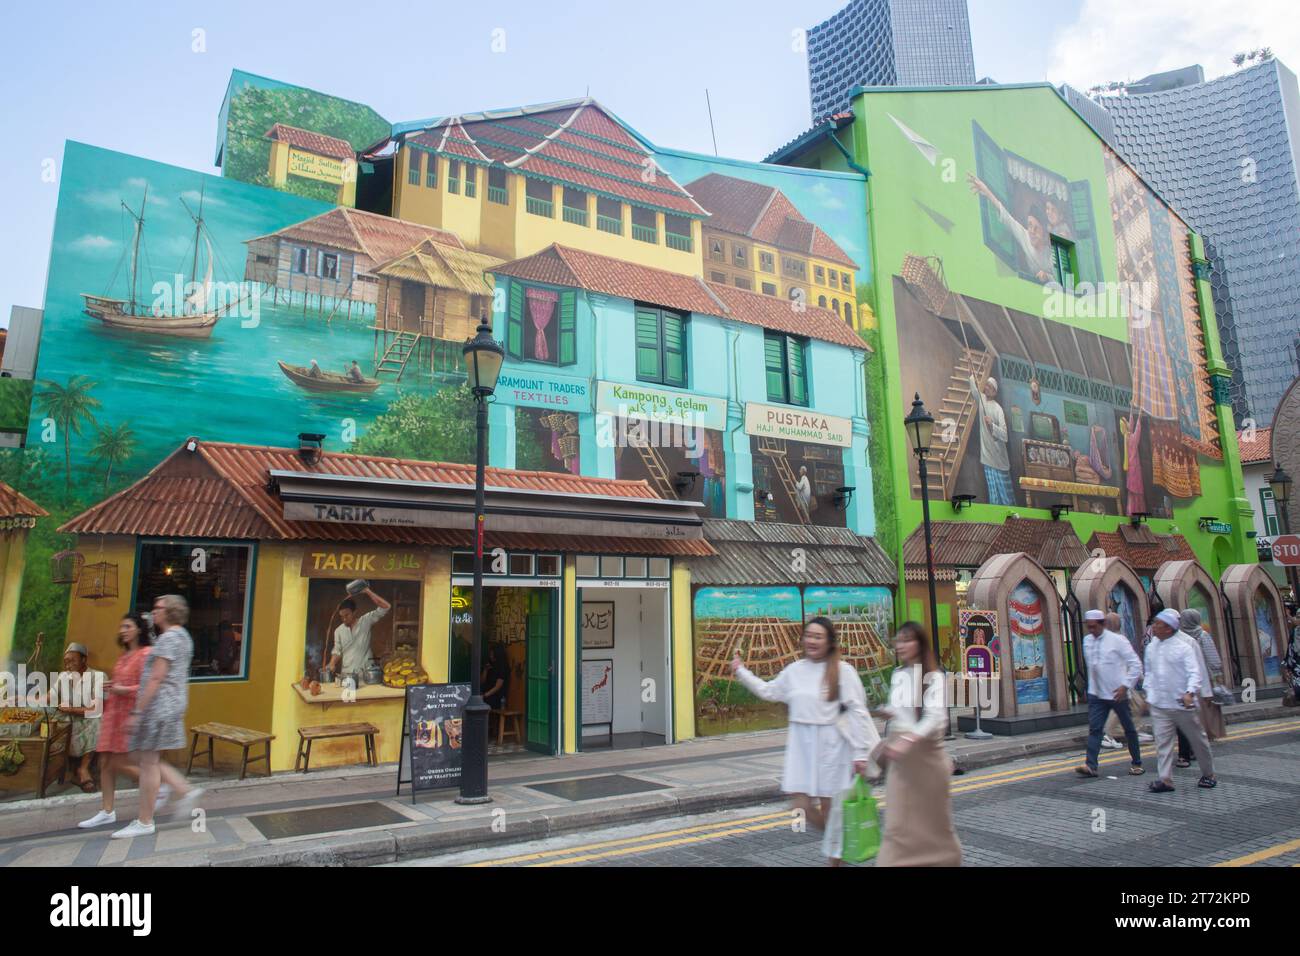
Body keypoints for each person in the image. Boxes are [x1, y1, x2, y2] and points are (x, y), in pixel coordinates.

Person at [730, 617, 879, 866]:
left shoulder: (844, 672)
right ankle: (838, 845)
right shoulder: (795, 670)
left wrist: (861, 753)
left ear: (830, 642)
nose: (811, 640)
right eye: (808, 635)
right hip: (801, 748)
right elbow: (769, 691)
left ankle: (835, 859)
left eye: (818, 636)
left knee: (832, 813)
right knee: (801, 806)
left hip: (832, 748)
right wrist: (741, 671)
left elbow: (858, 712)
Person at [112, 595, 204, 840]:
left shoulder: (170, 638)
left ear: (170, 612)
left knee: (147, 762)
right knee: (143, 757)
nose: (153, 612)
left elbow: (156, 677)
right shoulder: (182, 637)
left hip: (159, 706)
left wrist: (137, 711)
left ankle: (145, 820)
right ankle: (182, 789)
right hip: (171, 704)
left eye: (158, 608)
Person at [873, 622, 962, 867]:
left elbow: (936, 718)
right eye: (898, 640)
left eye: (907, 640)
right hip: (902, 764)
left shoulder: (934, 677)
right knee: (897, 826)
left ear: (920, 644)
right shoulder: (898, 674)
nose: (900, 645)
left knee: (935, 829)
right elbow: (901, 711)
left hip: (928, 761)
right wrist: (885, 712)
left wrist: (909, 740)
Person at [78, 614, 167, 829]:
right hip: (114, 712)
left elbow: (152, 686)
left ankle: (159, 786)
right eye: (121, 626)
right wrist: (112, 685)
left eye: (128, 626)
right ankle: (106, 810)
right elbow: (123, 681)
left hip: (130, 713)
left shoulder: (147, 654)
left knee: (120, 762)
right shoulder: (125, 655)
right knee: (104, 763)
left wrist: (123, 689)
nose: (123, 630)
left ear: (139, 630)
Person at [1144, 608, 1217, 793]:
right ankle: (1165, 779)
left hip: (1182, 705)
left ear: (1168, 628)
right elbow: (1149, 673)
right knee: (1163, 743)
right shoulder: (1152, 646)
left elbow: (1195, 672)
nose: (1154, 627)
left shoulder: (1185, 645)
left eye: (1158, 624)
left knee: (1198, 741)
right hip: (1160, 704)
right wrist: (1148, 692)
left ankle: (1209, 774)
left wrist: (1190, 692)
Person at [1076, 609, 1144, 778]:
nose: (1091, 630)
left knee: (1129, 728)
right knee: (1095, 729)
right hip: (1096, 694)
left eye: (1094, 627)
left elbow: (1135, 665)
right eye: (1089, 627)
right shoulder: (1087, 641)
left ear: (1103, 624)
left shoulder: (1118, 641)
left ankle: (1136, 763)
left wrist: (1125, 686)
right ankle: (1091, 765)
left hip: (1116, 693)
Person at [967, 174, 1054, 281]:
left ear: (1044, 233)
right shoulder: (1025, 236)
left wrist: (1047, 276)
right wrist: (986, 191)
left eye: (1036, 228)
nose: (1031, 231)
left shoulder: (1050, 255)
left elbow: (1065, 282)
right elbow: (1007, 218)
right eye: (1030, 225)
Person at [52, 643, 104, 792]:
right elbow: (50, 696)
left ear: (84, 660)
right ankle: (65, 771)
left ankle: (83, 769)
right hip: (68, 719)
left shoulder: (98, 676)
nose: (68, 665)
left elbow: (96, 708)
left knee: (99, 719)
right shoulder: (63, 676)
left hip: (88, 718)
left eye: (72, 660)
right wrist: (24, 698)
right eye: (66, 661)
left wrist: (71, 709)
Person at [1102, 611, 1154, 748]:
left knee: (1135, 705)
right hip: (1120, 682)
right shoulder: (1116, 639)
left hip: (1123, 681)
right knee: (1120, 708)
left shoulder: (1110, 639)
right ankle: (1109, 735)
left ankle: (1132, 731)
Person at [329, 586, 391, 685]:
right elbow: (337, 650)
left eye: (347, 615)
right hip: (347, 676)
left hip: (367, 676)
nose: (344, 619)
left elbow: (386, 606)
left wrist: (368, 591)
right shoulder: (338, 631)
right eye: (341, 616)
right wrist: (332, 664)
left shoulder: (365, 621)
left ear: (354, 612)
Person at [967, 375, 1013, 505]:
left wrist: (992, 425)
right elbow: (974, 390)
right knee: (993, 495)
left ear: (995, 392)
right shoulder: (981, 400)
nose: (987, 387)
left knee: (1005, 497)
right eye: (986, 385)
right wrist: (971, 375)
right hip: (987, 456)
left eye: (990, 386)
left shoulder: (998, 409)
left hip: (999, 459)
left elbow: (1004, 435)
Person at [482, 644, 509, 712]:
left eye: (492, 654)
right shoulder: (490, 665)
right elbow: (482, 681)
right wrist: (485, 670)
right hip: (486, 693)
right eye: (490, 654)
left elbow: (498, 686)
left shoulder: (502, 667)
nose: (491, 656)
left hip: (496, 696)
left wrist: (485, 695)